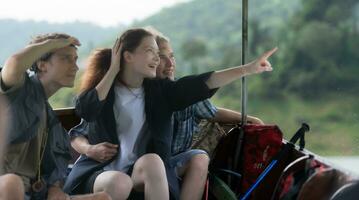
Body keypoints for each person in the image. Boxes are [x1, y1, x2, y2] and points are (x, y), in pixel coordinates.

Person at [64, 28, 276, 200]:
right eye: (150, 51)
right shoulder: (104, 93)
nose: (158, 59)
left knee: (154, 161)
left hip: (139, 171)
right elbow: (86, 109)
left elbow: (201, 83)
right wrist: (112, 69)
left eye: (159, 53)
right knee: (120, 182)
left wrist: (247, 69)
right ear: (127, 56)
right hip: (101, 173)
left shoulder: (161, 92)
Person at [149, 29, 264, 200]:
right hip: (149, 166)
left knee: (200, 158)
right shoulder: (145, 92)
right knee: (198, 158)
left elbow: (212, 112)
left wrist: (249, 120)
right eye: (161, 57)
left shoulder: (184, 91)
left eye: (171, 56)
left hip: (174, 163)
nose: (170, 62)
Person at [0, 33, 110, 200]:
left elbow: (55, 171)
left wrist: (54, 188)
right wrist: (51, 43)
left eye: (75, 59)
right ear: (42, 65)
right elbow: (14, 63)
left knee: (103, 198)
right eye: (66, 58)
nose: (75, 67)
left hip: (35, 193)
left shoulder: (53, 123)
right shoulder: (18, 89)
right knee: (11, 183)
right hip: (9, 186)